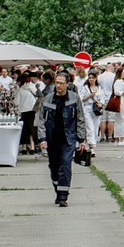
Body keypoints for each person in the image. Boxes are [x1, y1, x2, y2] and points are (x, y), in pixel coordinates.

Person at [32, 68, 82, 204]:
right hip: (52, 138)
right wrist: (42, 139)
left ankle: (63, 196)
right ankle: (58, 189)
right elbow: (41, 120)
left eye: (61, 83)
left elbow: (80, 119)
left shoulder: (74, 98)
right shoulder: (48, 99)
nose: (58, 86)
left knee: (65, 165)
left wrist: (81, 139)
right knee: (54, 167)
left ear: (67, 84)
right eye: (57, 83)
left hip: (68, 138)